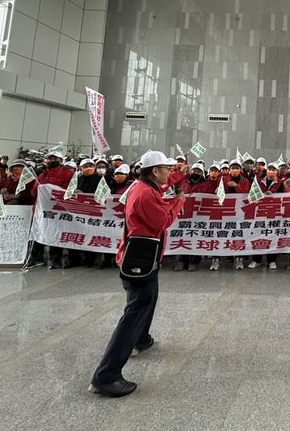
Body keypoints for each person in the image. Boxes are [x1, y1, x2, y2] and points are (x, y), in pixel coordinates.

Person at [89, 150, 184, 398]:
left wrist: (176, 181)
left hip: (144, 257)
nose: (170, 173)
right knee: (136, 310)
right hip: (139, 260)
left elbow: (163, 189)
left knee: (148, 299)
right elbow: (162, 221)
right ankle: (106, 376)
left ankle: (141, 338)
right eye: (167, 169)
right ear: (155, 171)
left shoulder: (144, 186)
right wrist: (179, 202)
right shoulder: (144, 194)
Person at [32, 151, 74, 269]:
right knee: (38, 232)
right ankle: (36, 258)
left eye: (55, 159)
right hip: (41, 209)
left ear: (61, 161)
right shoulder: (43, 175)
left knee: (56, 233)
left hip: (58, 209)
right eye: (49, 159)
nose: (51, 161)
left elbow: (67, 190)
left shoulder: (67, 174)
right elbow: (34, 191)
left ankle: (55, 260)